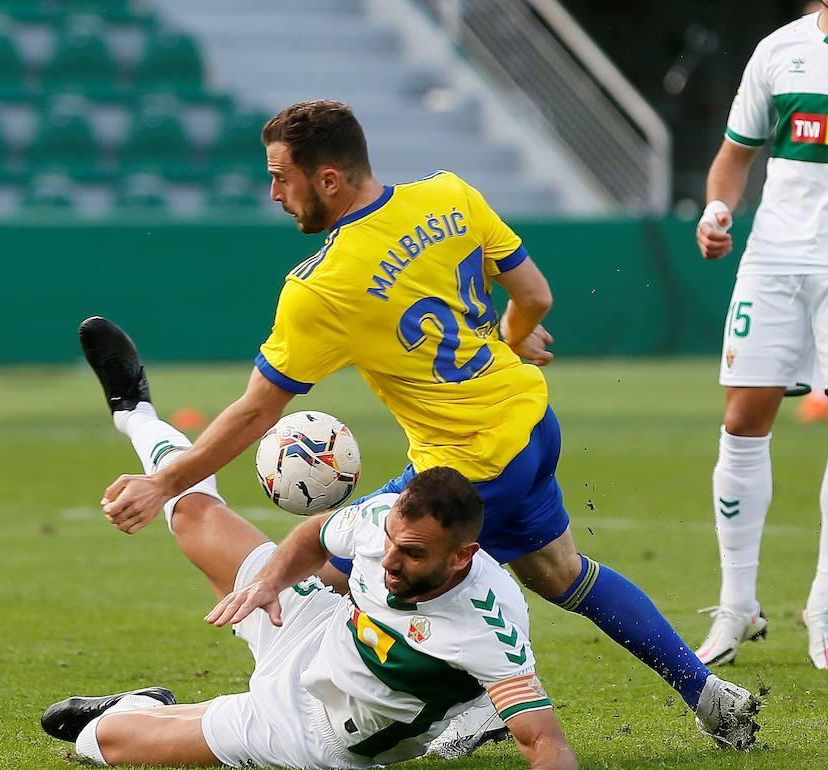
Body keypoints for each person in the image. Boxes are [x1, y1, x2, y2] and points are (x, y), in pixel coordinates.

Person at [99, 100, 759, 748]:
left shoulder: (322, 285)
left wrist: (165, 484)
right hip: (529, 424)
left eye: (280, 175)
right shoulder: (449, 194)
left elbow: (256, 411)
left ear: (326, 178)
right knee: (562, 574)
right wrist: (510, 336)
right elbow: (535, 296)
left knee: (332, 577)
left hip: (468, 466)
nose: (273, 192)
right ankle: (706, 694)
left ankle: (473, 705)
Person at [42, 326, 577, 768]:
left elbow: (544, 743)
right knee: (192, 513)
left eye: (413, 554)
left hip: (310, 731)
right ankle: (134, 411)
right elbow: (315, 533)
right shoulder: (377, 523)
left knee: (101, 741)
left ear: (463, 555)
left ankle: (141, 706)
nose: (389, 560)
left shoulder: (488, 627)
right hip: (314, 629)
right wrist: (270, 584)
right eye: (392, 541)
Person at [693, 1, 828, 669]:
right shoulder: (781, 50)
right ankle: (738, 604)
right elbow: (732, 160)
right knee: (743, 422)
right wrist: (718, 210)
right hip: (773, 262)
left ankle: (824, 604)